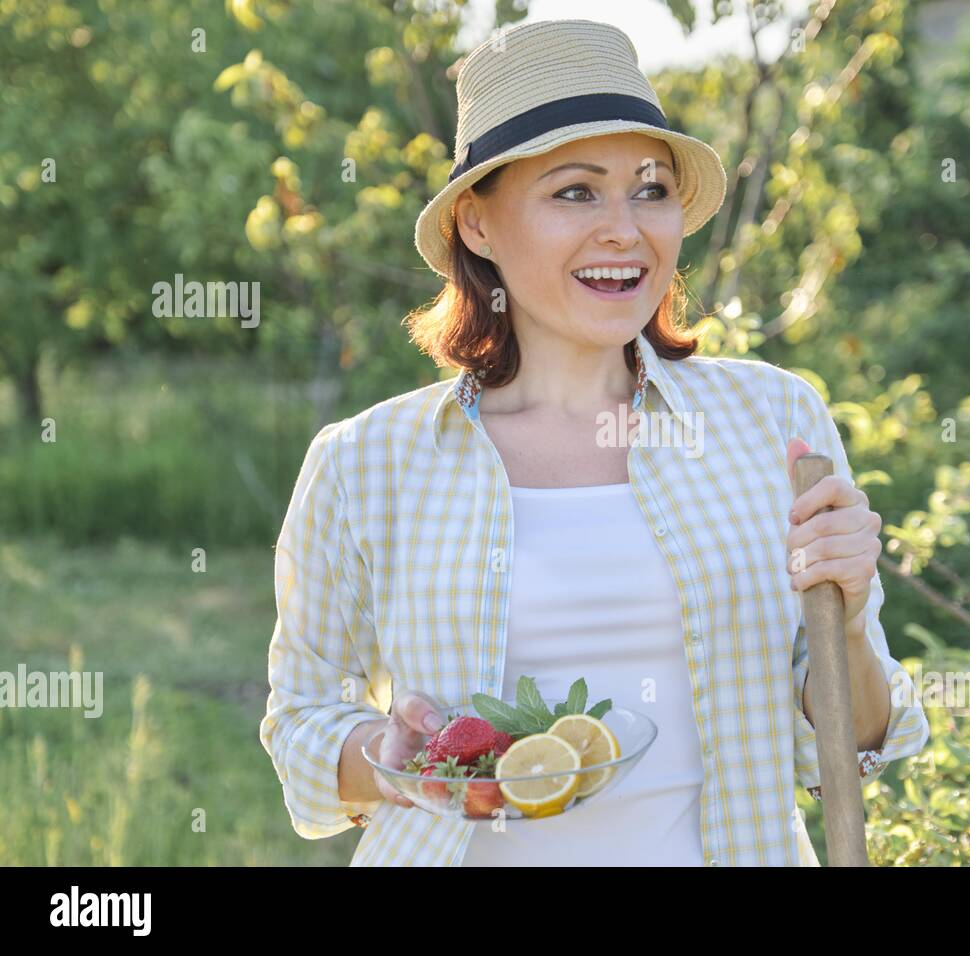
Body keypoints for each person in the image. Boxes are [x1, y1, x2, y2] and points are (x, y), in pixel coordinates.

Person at [259, 18, 929, 867]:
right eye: (575, 192)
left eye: (650, 190)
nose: (624, 228)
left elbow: (855, 741)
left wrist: (850, 610)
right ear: (477, 224)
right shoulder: (366, 463)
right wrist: (386, 760)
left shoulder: (773, 421)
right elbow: (303, 724)